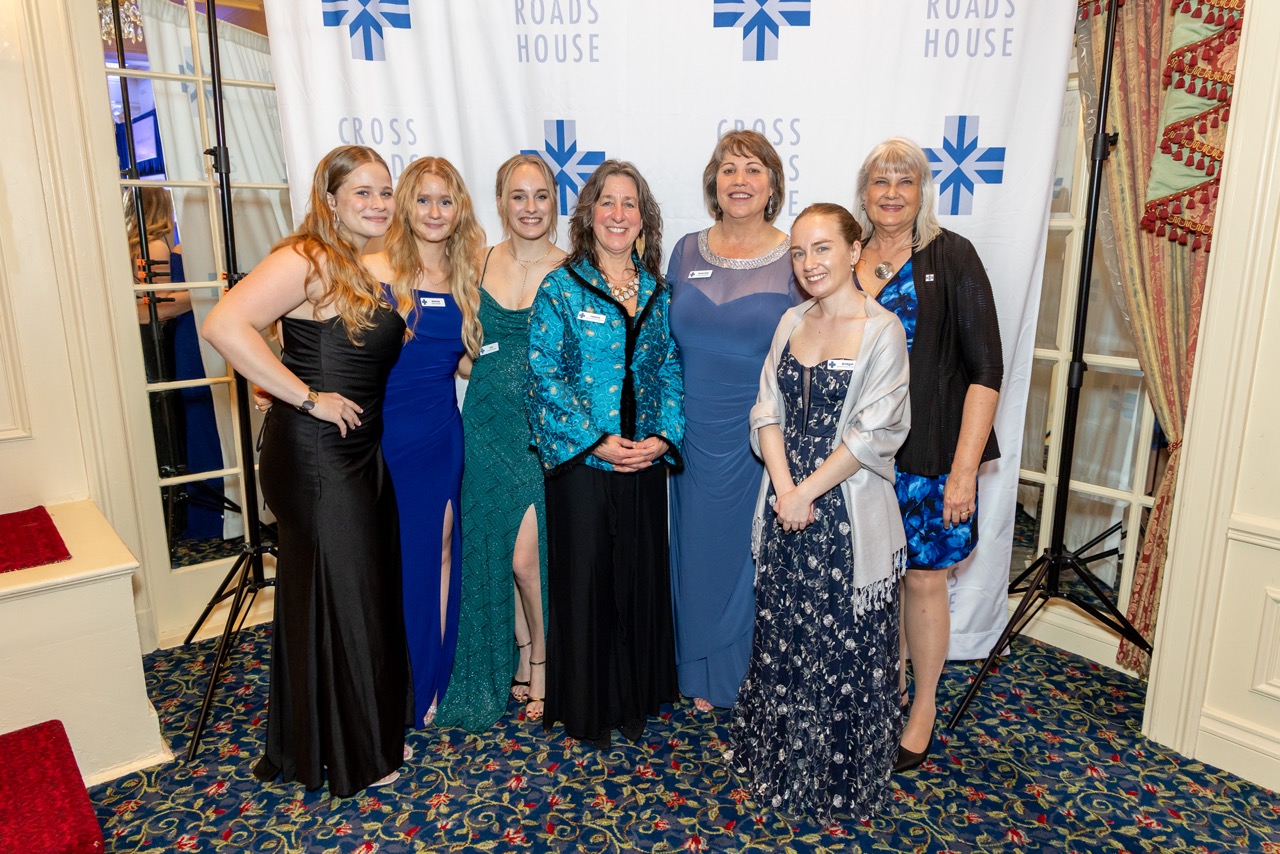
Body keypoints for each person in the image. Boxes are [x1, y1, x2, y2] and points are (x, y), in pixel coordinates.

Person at [202, 145, 409, 796]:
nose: (379, 203)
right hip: (317, 456)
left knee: (351, 590)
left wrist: (282, 377)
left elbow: (309, 339)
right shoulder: (308, 256)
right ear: (330, 199)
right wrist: (304, 395)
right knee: (346, 593)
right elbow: (224, 323)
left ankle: (331, 735)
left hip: (358, 451)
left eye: (385, 191)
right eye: (363, 192)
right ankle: (354, 751)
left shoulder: (360, 262)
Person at [725, 203, 910, 821]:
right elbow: (765, 410)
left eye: (823, 248)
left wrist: (807, 492)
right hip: (785, 509)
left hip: (846, 517)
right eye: (799, 252)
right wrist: (785, 488)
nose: (809, 263)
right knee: (784, 634)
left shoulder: (883, 331)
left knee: (841, 648)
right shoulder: (789, 321)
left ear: (855, 250)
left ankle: (837, 780)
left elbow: (873, 433)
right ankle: (778, 763)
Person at [853, 138, 1003, 772]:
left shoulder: (953, 255)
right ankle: (878, 690)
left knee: (922, 579)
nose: (891, 193)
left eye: (905, 181)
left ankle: (922, 707)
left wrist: (964, 470)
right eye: (880, 181)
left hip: (929, 457)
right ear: (863, 194)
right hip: (855, 458)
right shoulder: (845, 253)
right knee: (867, 580)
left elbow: (986, 369)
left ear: (922, 193)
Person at [527, 160, 684, 749]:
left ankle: (635, 696)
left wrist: (663, 437)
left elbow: (668, 370)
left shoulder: (659, 293)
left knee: (636, 577)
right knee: (588, 578)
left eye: (630, 204)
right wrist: (595, 441)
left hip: (642, 461)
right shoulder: (561, 288)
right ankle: (590, 704)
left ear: (644, 219)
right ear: (589, 214)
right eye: (607, 202)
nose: (618, 214)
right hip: (583, 463)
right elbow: (543, 376)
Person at [667, 130, 801, 713]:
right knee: (694, 551)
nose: (739, 180)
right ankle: (695, 668)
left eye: (753, 169)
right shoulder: (684, 251)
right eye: (728, 169)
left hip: (759, 437)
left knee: (749, 553)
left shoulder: (797, 254)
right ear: (713, 183)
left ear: (772, 185)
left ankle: (745, 671)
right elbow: (659, 348)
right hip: (688, 435)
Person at [436, 155, 565, 730]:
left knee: (526, 558)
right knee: (490, 552)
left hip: (540, 432)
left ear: (555, 202)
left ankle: (543, 658)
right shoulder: (476, 261)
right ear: (500, 202)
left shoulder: (572, 269)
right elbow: (462, 351)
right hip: (484, 427)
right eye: (518, 196)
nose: (530, 207)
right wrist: (482, 365)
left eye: (541, 196)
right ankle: (517, 651)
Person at [364, 156, 483, 729]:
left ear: (459, 209)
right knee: (387, 557)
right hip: (379, 433)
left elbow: (464, 363)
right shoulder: (373, 268)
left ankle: (430, 677)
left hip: (439, 434)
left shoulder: (467, 274)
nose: (435, 212)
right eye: (423, 199)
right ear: (404, 205)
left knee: (438, 550)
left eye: (446, 200)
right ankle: (390, 677)